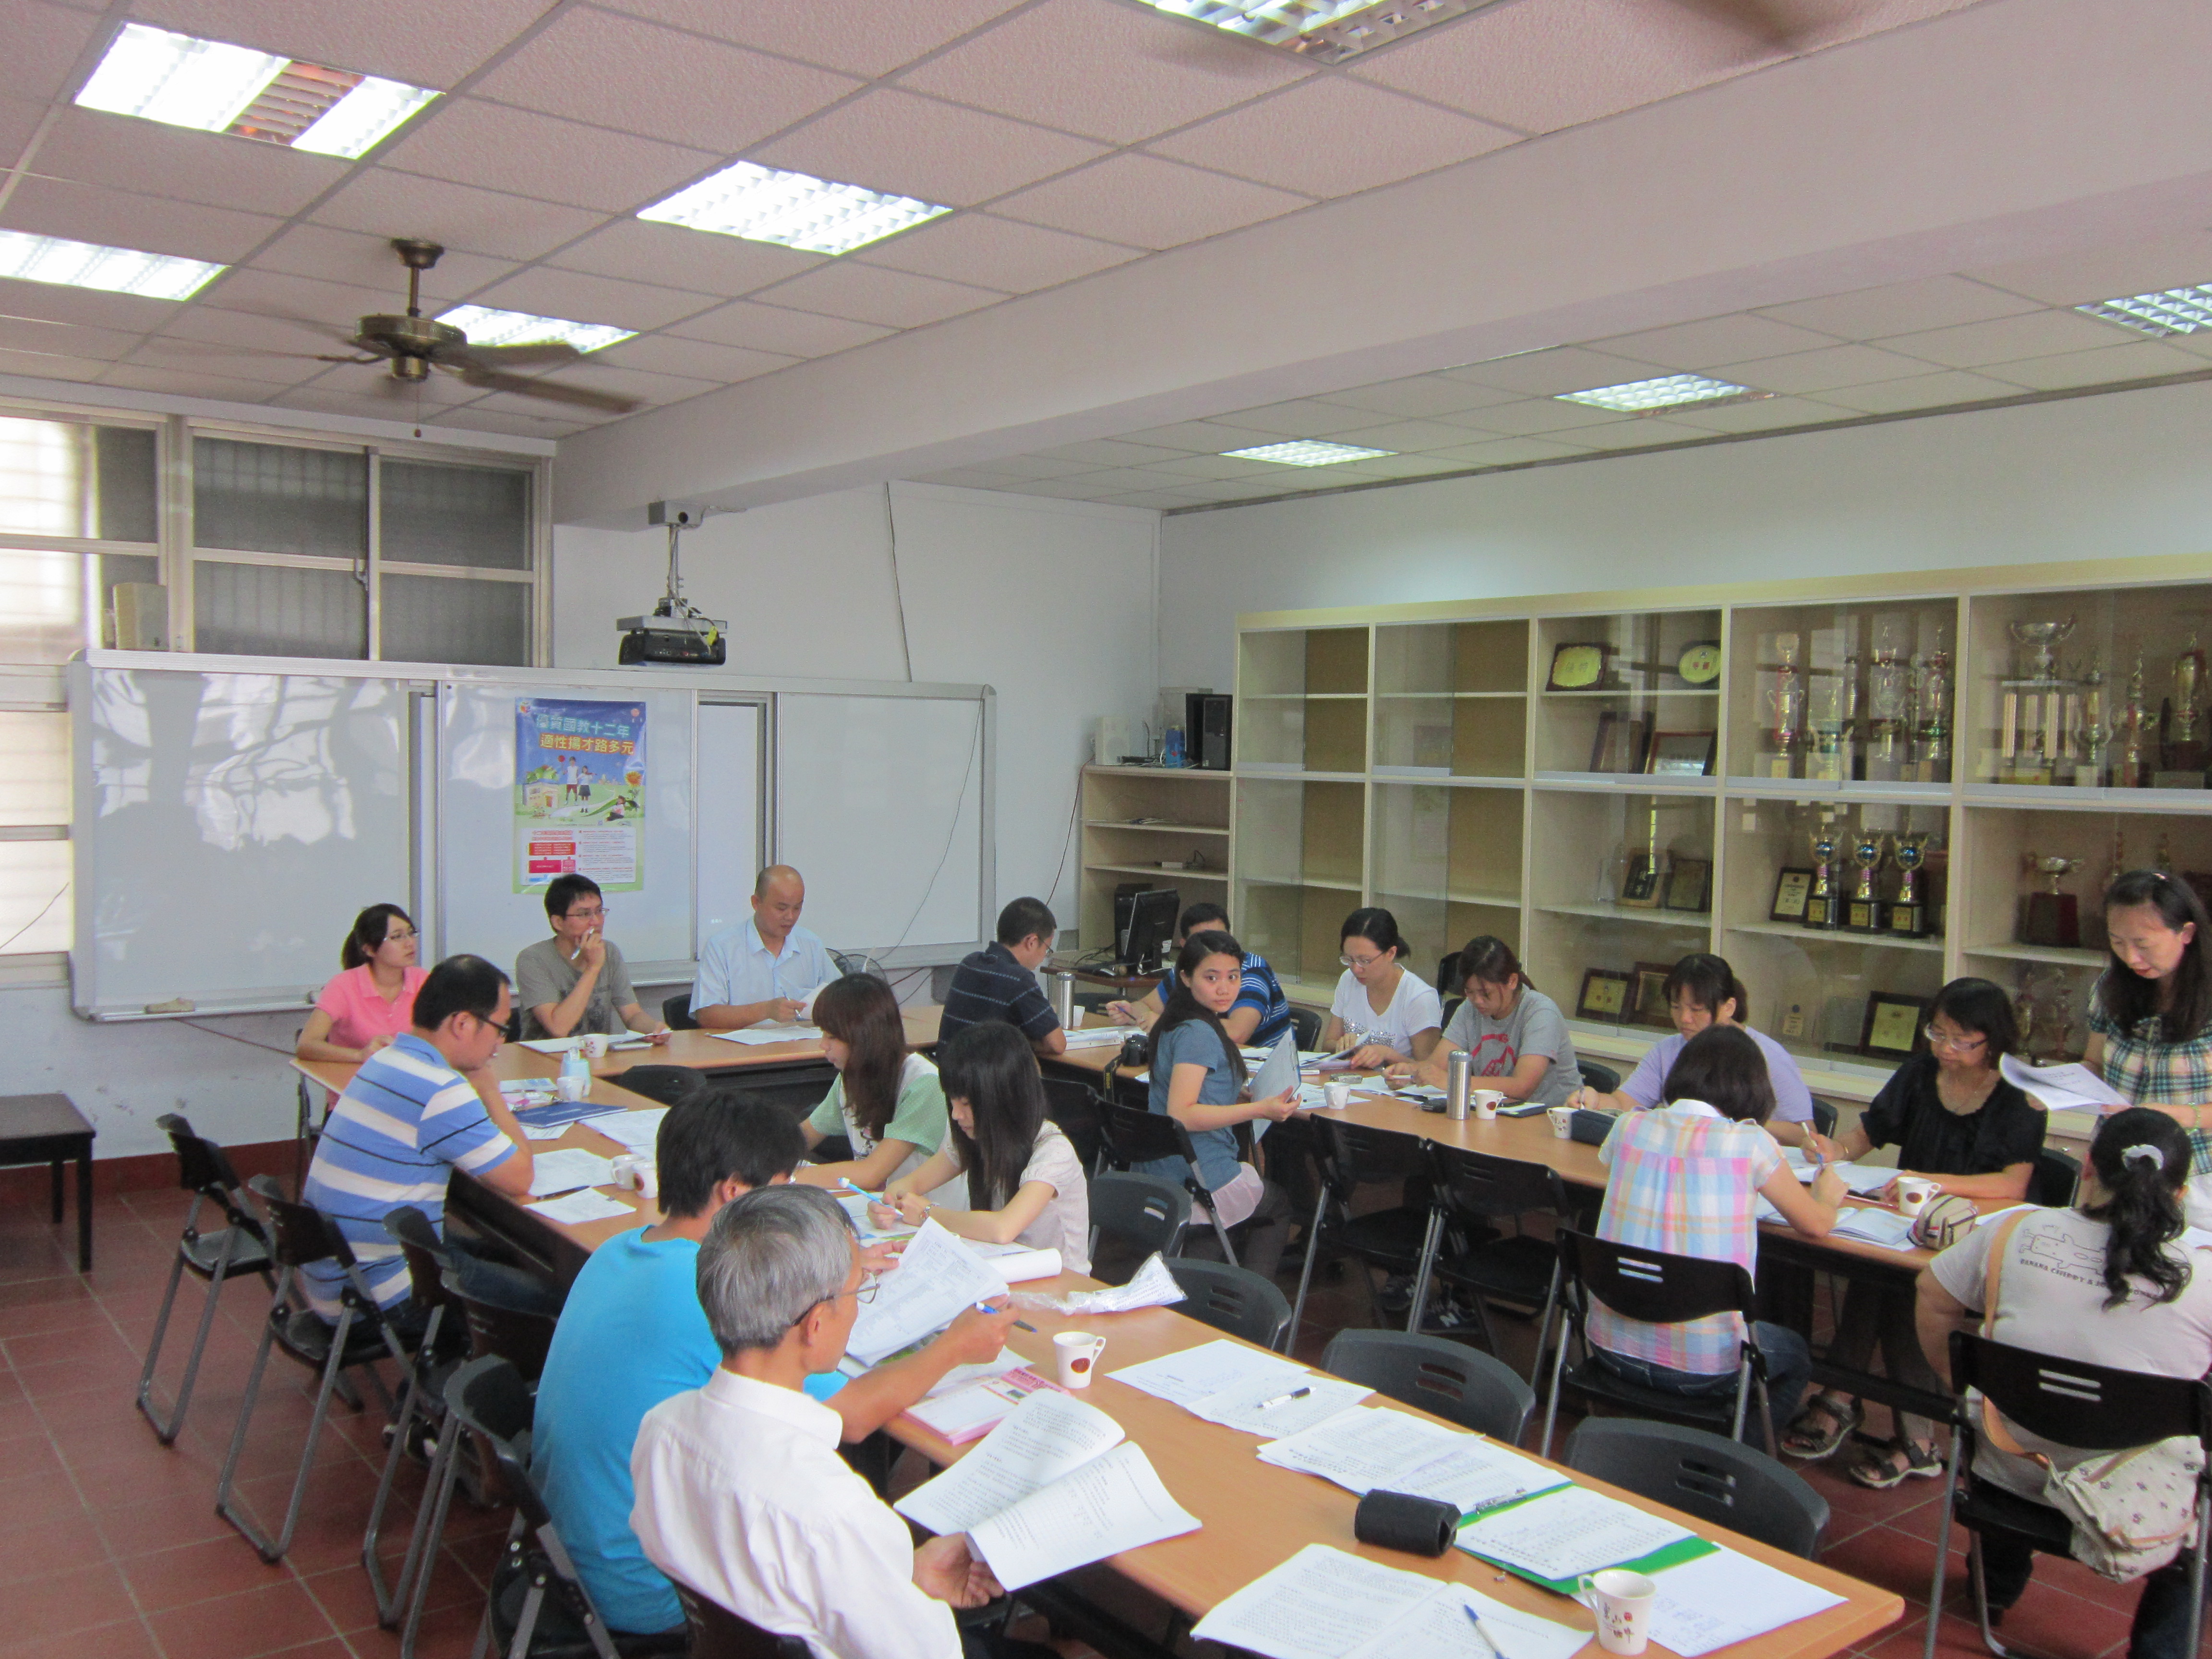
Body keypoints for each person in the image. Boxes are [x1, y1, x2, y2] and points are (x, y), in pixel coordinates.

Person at [535, 1095, 1015, 1639]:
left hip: (595, 1558)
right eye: (784, 1190)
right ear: (735, 1194)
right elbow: (853, 1417)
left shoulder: (622, 1252)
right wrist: (955, 1346)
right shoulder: (828, 1507)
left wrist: (823, 1267)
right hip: (647, 1595)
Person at [632, 1186, 1029, 1659]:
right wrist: (887, 1571)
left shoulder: (661, 1431)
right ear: (816, 1324)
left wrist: (902, 1570)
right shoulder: (830, 1509)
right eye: (859, 1289)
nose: (860, 1304)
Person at [1916, 1109, 2212, 1659]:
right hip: (2140, 1500)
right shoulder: (2204, 1275)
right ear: (2181, 1193)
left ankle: (1993, 1588)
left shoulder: (2013, 1232)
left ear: (2088, 1167)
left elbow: (1932, 1294)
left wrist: (1958, 1383)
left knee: (2012, 1425)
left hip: (2009, 1473)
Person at [1783, 977, 2044, 1487]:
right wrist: (1831, 1150)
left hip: (1976, 1229)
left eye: (1962, 1041)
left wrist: (1930, 1180)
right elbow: (1864, 1137)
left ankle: (1852, 1407)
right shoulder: (1920, 1074)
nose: (1945, 1049)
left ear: (1993, 1041)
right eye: (1938, 1034)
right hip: (1910, 1222)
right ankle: (1904, 1433)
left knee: (1906, 1288)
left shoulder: (2018, 1095)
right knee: (1876, 1273)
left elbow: (2012, 1184)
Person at [1586, 1024, 1843, 1443]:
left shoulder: (1629, 1127)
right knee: (1796, 1355)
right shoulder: (1750, 1143)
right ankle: (1733, 1462)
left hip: (1609, 1348)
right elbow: (1815, 1224)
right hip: (1703, 1367)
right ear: (1752, 1089)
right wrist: (1828, 1197)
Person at [300, 954, 549, 1323]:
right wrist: (489, 1089)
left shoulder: (385, 1060)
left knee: (512, 1256)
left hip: (338, 1278)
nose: (499, 1043)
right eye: (500, 1028)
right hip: (380, 1295)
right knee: (560, 1299)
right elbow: (520, 1178)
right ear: (463, 1023)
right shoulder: (442, 1089)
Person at [1137, 929, 1298, 1279]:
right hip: (1198, 1176)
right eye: (1211, 978)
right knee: (1278, 1205)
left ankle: (1204, 1272)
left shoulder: (1175, 1021)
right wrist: (1260, 1109)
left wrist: (1228, 1094)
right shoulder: (1200, 1032)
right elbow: (1182, 1113)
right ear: (1186, 978)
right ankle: (1252, 1299)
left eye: (1233, 977)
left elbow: (1185, 1088)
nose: (1224, 989)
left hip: (1165, 1171)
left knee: (1219, 1234)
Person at [877, 1022, 1093, 1277]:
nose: (956, 1115)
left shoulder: (1053, 1151)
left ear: (1005, 1097)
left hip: (1061, 1284)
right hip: (1000, 1271)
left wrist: (927, 1214)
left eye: (966, 1104)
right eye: (952, 1101)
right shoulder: (977, 1137)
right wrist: (888, 1204)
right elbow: (905, 1186)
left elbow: (1002, 1229)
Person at [1570, 953, 1818, 1148]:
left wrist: (1738, 1124)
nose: (1684, 1019)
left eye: (1697, 1009)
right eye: (1676, 1007)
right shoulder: (1668, 1050)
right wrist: (1594, 1099)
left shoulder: (1766, 1055)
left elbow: (1806, 1135)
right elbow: (1623, 1104)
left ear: (1729, 1007)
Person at [2084, 871, 2212, 1222]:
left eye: (2143, 944)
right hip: (2114, 1169)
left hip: (2195, 1178)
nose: (2131, 958)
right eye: (2118, 942)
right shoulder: (2111, 987)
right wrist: (2053, 1088)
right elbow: (2094, 1064)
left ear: (2186, 933)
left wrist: (2179, 1115)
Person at [794, 973, 951, 1192]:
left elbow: (871, 1174)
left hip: (931, 1211)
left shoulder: (925, 1084)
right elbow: (804, 1137)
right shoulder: (851, 1077)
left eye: (832, 1037)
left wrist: (783, 1177)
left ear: (863, 1036)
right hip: (879, 1207)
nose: (823, 1045)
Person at [1386, 935, 1582, 1107]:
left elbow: (1522, 1087)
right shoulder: (1469, 1009)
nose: (1477, 1001)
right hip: (1496, 1115)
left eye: (1486, 993)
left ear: (1512, 981)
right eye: (1470, 992)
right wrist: (1412, 1073)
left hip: (1548, 1120)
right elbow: (1438, 1066)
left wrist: (1452, 1081)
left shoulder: (1540, 1013)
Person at [1104, 901, 1293, 1047]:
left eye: (1220, 938)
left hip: (1263, 1072)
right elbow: (1147, 1006)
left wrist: (1167, 1023)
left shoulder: (1251, 971)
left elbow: (1238, 1033)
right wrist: (1131, 1013)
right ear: (1186, 946)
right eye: (1203, 942)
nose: (1214, 949)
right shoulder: (1189, 969)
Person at [516, 874, 672, 1043]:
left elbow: (632, 1014)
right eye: (584, 914)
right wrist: (593, 968)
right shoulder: (533, 959)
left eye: (599, 911)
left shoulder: (609, 951)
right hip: (546, 1057)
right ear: (558, 922)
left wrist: (654, 1028)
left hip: (597, 1055)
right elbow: (559, 1028)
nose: (596, 921)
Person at [692, 865, 837, 1031]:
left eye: (797, 908)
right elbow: (707, 1016)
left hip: (802, 1043)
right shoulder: (722, 947)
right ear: (756, 903)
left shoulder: (811, 944)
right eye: (781, 908)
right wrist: (766, 1010)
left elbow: (840, 998)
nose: (790, 917)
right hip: (741, 1045)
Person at [296, 903, 429, 1066]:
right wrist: (359, 1055)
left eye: (411, 933)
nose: (410, 943)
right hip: (352, 1080)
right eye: (397, 937)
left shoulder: (424, 981)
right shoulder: (343, 986)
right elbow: (306, 1045)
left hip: (408, 1078)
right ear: (370, 950)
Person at [937, 896, 1065, 1057]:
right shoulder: (1019, 979)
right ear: (1032, 942)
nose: (1045, 955)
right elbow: (1057, 1045)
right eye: (1047, 948)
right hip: (988, 1072)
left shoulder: (969, 963)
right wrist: (1026, 1042)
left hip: (950, 1069)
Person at [1321, 907, 1443, 1070]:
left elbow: (1431, 1071)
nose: (1356, 969)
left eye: (1365, 961)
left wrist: (1388, 1055)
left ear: (1391, 953)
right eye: (1349, 959)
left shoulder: (1419, 998)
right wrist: (1342, 1046)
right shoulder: (1348, 980)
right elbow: (1327, 1045)